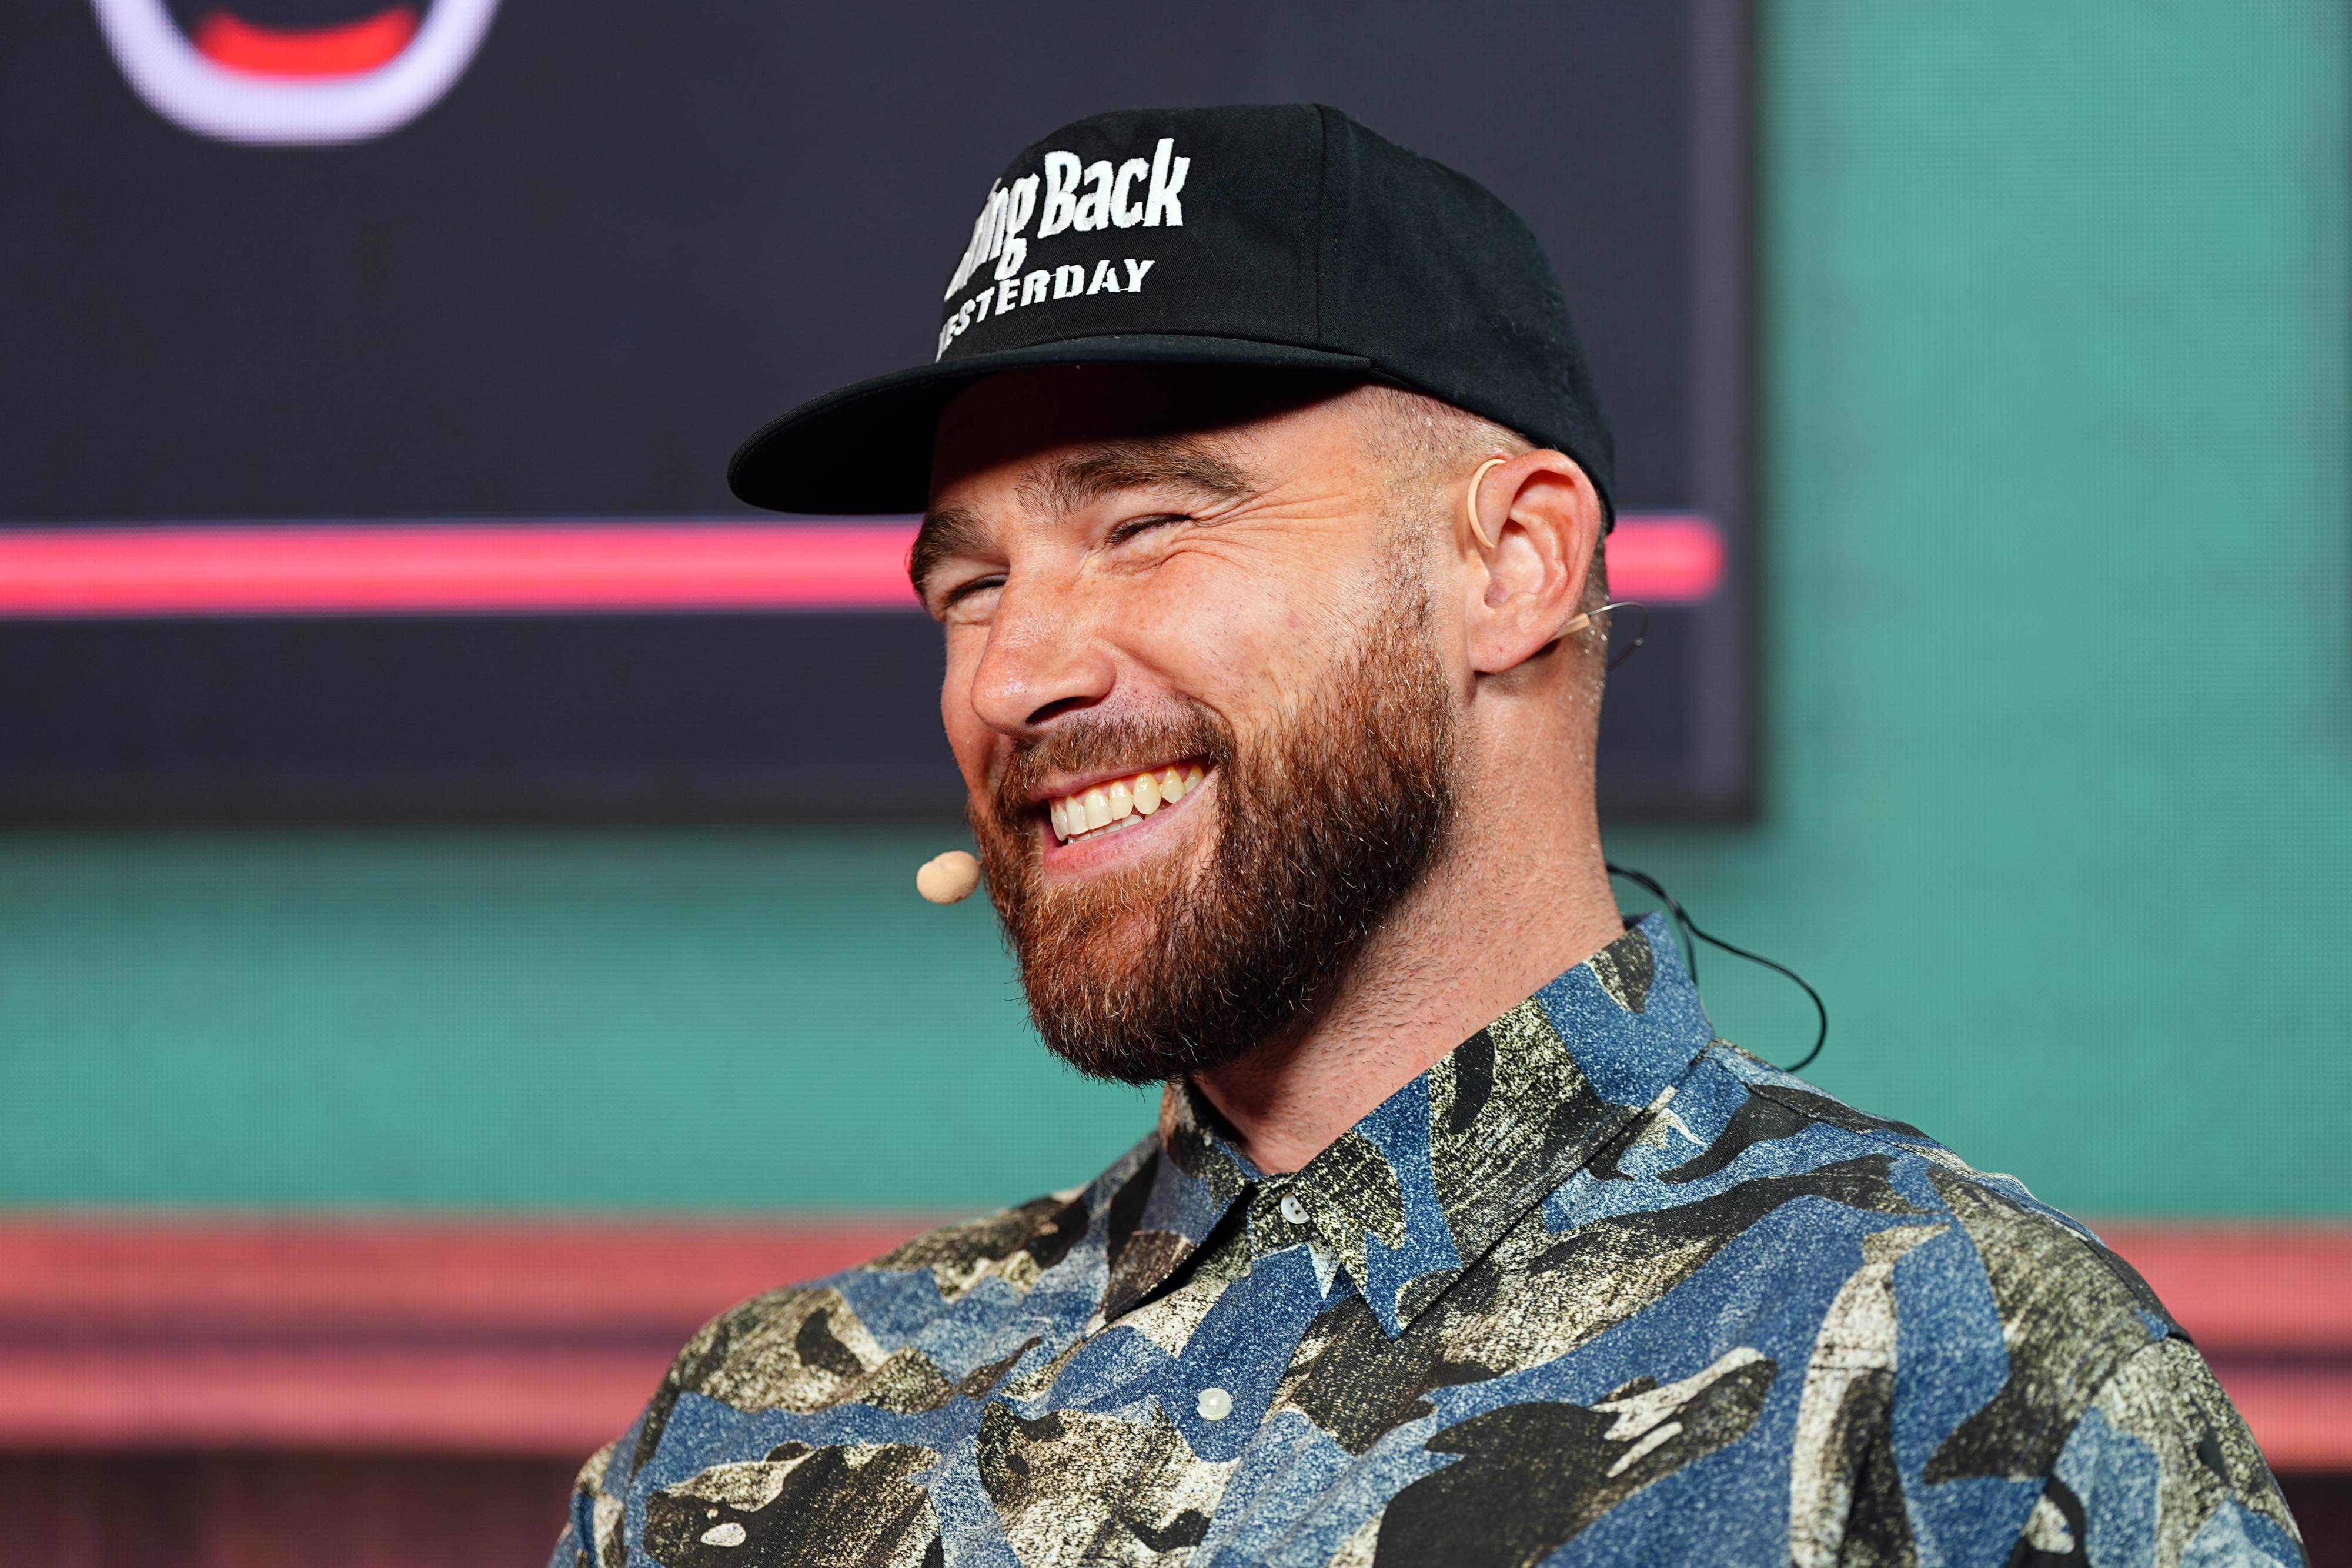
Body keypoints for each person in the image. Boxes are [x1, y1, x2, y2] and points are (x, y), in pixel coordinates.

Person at [553, 105, 2301, 1567]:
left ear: (1512, 564)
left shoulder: (1969, 1395)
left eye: (1151, 524)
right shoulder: (741, 1449)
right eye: (969, 585)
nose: (1013, 673)